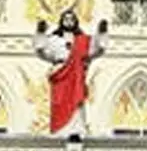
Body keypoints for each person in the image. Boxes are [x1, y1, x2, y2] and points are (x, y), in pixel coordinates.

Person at [33, 10, 108, 138]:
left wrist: (101, 32)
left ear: (75, 21)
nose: (68, 21)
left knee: (76, 101)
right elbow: (41, 51)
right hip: (61, 73)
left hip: (76, 74)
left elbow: (97, 50)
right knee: (59, 102)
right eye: (66, 19)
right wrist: (40, 32)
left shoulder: (83, 40)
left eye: (71, 19)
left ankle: (76, 130)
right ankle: (60, 131)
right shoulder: (54, 39)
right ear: (61, 21)